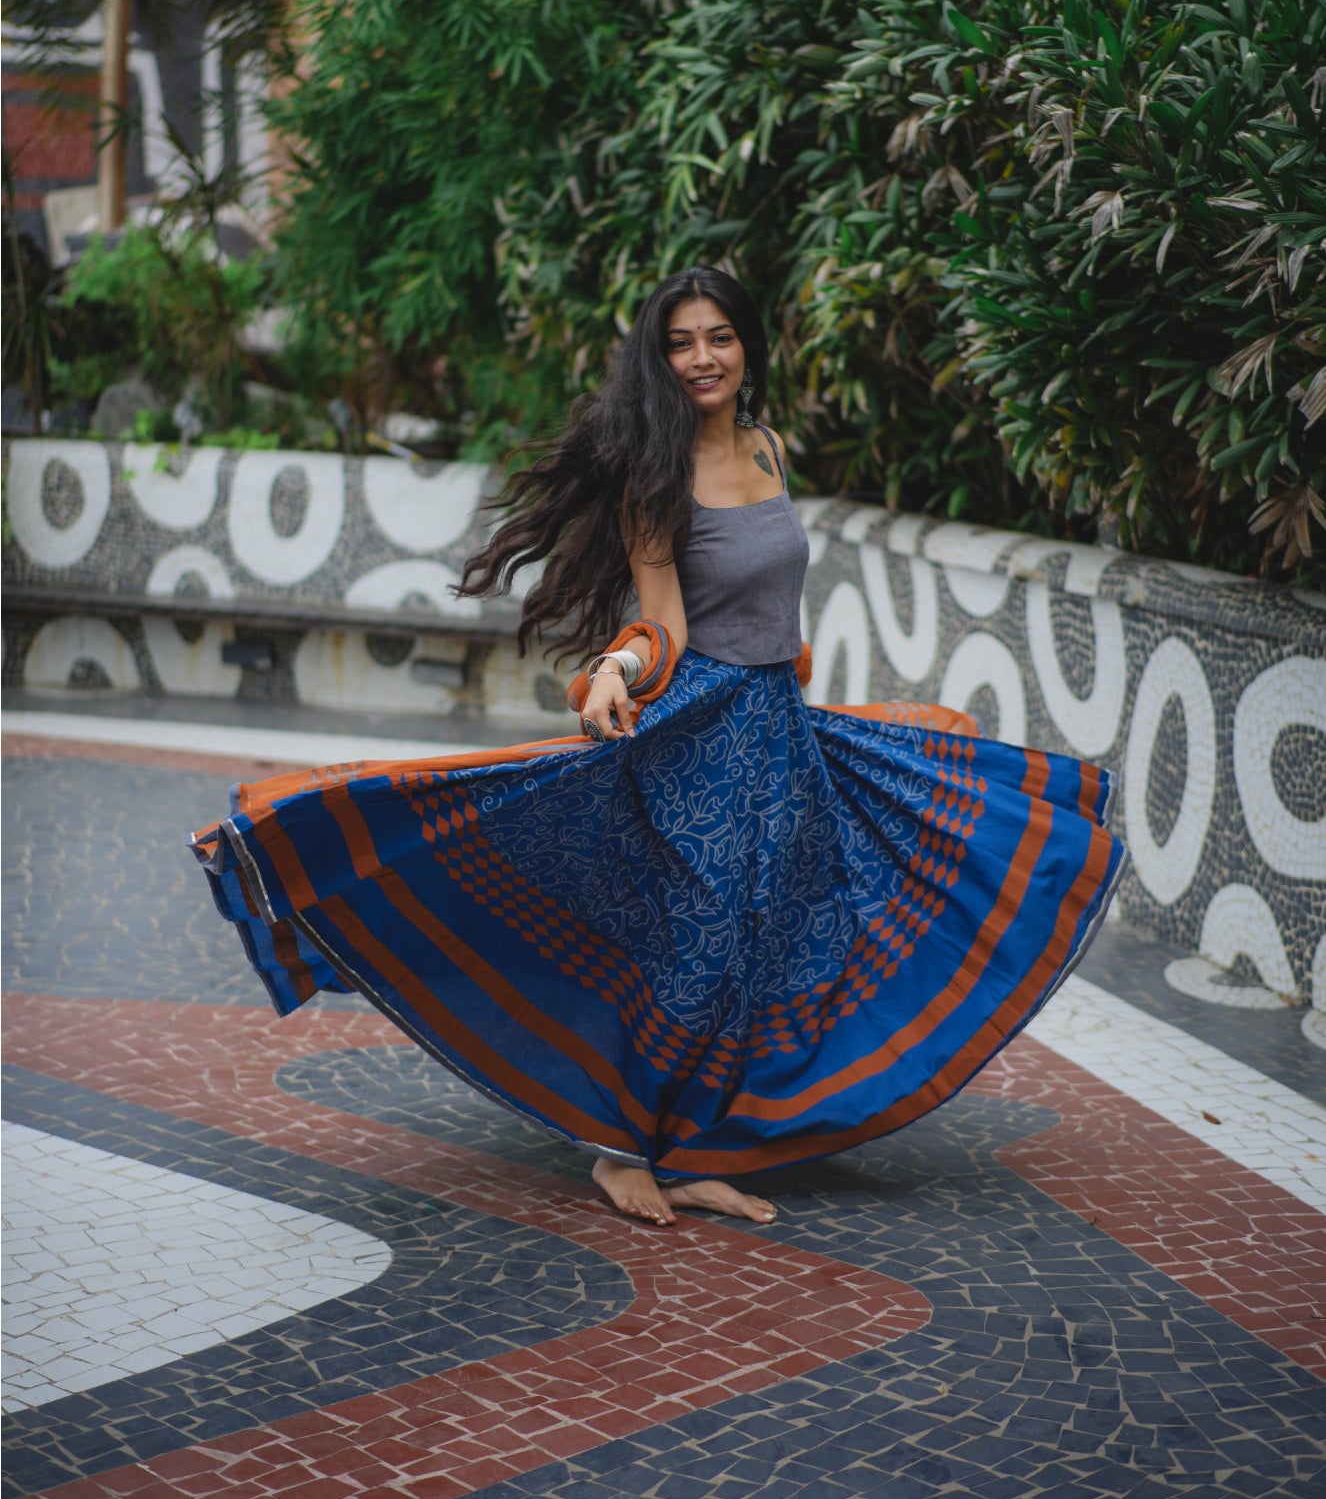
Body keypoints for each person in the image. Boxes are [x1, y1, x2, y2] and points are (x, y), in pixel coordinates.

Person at [192, 267, 1125, 1229]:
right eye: (680, 342)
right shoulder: (653, 475)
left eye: (719, 336)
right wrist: (611, 674)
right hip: (700, 742)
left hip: (780, 733)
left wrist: (795, 682)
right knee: (699, 941)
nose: (702, 357)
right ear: (659, 356)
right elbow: (663, 621)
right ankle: (622, 1150)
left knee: (765, 943)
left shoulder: (767, 449)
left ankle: (694, 1148)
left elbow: (778, 608)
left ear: (747, 346)